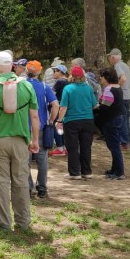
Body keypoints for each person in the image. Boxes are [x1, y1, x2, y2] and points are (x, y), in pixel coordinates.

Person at [0, 52, 39, 230]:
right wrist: (34, 140)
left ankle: (4, 221)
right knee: (21, 181)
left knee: (0, 182)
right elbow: (35, 117)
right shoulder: (27, 87)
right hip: (20, 141)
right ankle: (23, 221)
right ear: (12, 65)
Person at [55, 66, 97, 180]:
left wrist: (59, 120)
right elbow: (95, 104)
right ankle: (86, 171)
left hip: (72, 121)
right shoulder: (88, 88)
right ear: (83, 76)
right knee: (86, 147)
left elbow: (63, 107)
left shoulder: (68, 89)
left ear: (72, 76)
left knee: (72, 147)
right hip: (88, 120)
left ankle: (74, 172)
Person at [26, 61, 59, 198]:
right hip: (40, 126)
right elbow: (55, 105)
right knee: (42, 158)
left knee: (24, 160)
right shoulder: (45, 87)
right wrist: (51, 120)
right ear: (39, 72)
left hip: (24, 127)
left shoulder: (22, 85)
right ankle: (42, 188)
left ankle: (27, 187)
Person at [97, 68, 126, 180]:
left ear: (107, 78)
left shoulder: (109, 89)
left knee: (114, 147)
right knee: (114, 145)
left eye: (102, 77)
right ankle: (115, 169)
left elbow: (105, 107)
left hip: (111, 120)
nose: (101, 78)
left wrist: (97, 107)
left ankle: (119, 172)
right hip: (119, 118)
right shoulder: (118, 87)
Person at [107, 48, 130, 149]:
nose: (109, 59)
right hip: (128, 95)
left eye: (110, 57)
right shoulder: (125, 65)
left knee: (121, 118)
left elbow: (123, 78)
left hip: (122, 96)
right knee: (126, 119)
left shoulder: (117, 66)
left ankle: (124, 142)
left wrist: (116, 87)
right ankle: (126, 141)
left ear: (113, 57)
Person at [49, 64, 69, 156]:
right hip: (65, 107)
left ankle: (60, 148)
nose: (53, 73)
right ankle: (64, 147)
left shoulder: (60, 81)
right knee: (62, 127)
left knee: (55, 125)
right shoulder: (68, 81)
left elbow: (52, 94)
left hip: (58, 106)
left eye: (55, 71)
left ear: (60, 72)